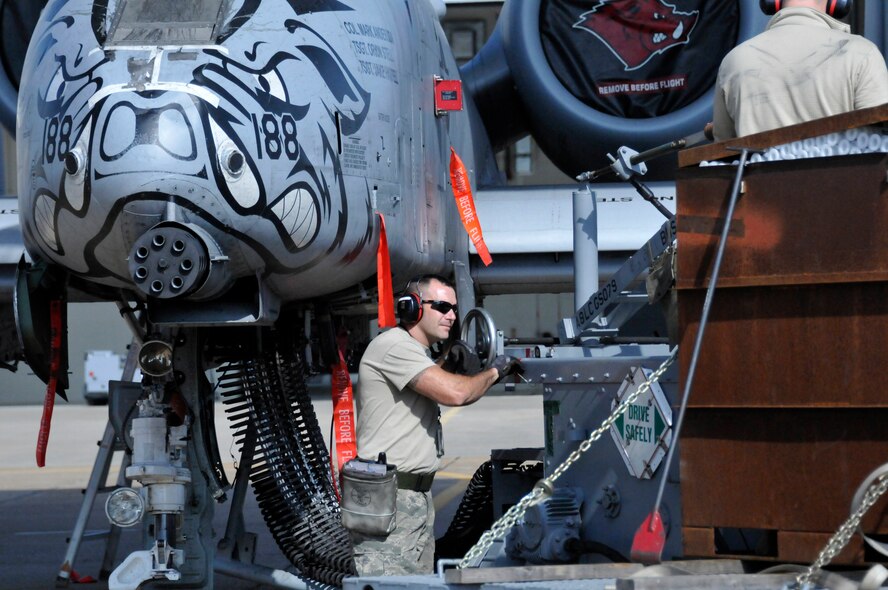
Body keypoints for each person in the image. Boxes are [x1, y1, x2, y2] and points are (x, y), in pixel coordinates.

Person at [350, 274, 522, 576]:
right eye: (443, 307)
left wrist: (446, 365)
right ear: (413, 308)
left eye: (454, 309)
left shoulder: (414, 353)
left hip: (410, 498)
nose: (452, 316)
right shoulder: (393, 346)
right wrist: (496, 371)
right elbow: (457, 393)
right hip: (393, 500)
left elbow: (434, 390)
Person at [711, 0, 888, 141]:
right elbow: (878, 144)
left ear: (772, 2)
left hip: (758, 186)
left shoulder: (734, 61)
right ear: (838, 3)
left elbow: (723, 149)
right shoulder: (862, 53)